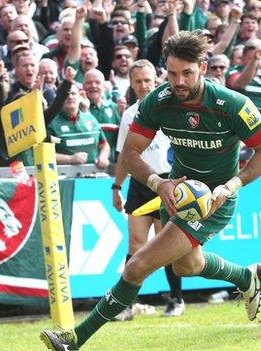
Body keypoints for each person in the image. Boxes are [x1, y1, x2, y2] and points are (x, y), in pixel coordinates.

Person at [40, 31, 261, 351]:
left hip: (213, 201)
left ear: (203, 68)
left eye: (187, 73)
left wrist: (231, 185)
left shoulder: (232, 104)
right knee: (186, 266)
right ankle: (246, 278)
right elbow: (130, 153)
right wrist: (159, 183)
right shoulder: (160, 100)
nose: (178, 81)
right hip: (175, 192)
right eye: (172, 73)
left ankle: (75, 340)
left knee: (138, 264)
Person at [112, 60, 185, 319]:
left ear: (157, 79)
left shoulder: (172, 107)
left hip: (168, 183)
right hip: (140, 184)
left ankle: (177, 299)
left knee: (166, 246)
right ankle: (125, 304)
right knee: (135, 244)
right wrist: (117, 186)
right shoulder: (129, 114)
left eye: (147, 80)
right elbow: (124, 156)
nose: (143, 85)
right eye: (138, 81)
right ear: (131, 84)